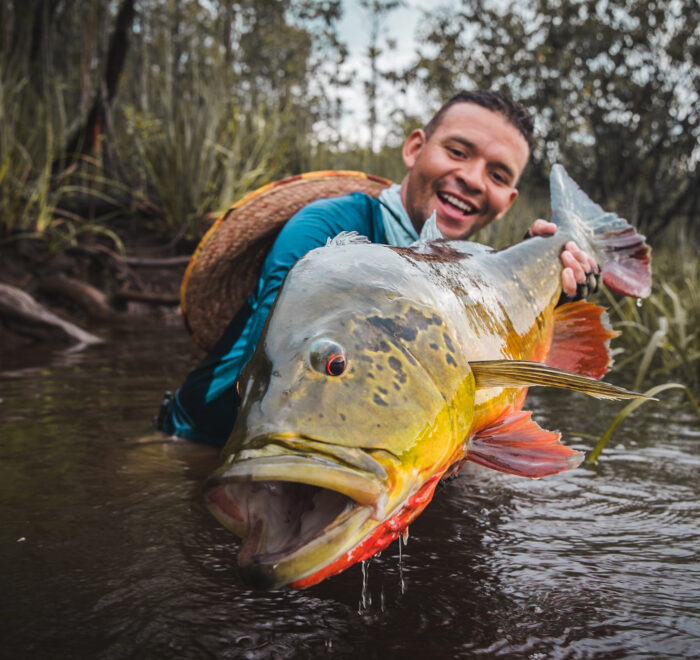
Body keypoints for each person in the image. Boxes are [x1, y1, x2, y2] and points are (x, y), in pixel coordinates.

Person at [156, 89, 599, 446]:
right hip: (195, 442)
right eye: (458, 151)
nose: (473, 179)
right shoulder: (324, 228)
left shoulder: (462, 273)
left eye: (499, 176)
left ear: (508, 204)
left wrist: (539, 291)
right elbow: (281, 369)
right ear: (415, 149)